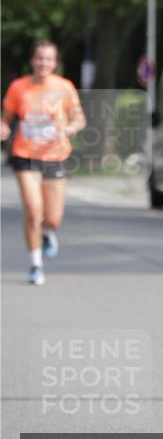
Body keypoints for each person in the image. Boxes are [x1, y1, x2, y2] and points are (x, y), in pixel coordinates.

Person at [1, 39, 86, 285]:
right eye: (39, 58)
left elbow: (79, 120)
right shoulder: (19, 88)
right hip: (25, 154)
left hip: (56, 156)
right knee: (33, 209)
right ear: (32, 60)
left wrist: (68, 130)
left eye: (48, 59)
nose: (43, 63)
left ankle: (48, 233)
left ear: (55, 62)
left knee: (52, 218)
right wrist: (4, 128)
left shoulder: (65, 87)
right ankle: (36, 264)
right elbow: (6, 118)